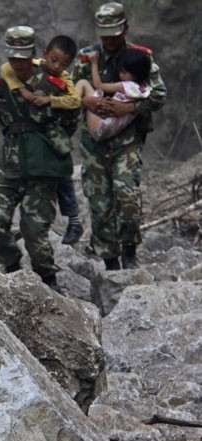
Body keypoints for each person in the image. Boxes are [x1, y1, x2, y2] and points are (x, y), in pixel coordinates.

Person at [72, 2, 167, 270]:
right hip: (95, 142)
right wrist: (88, 103)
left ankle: (129, 251)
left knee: (126, 194)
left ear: (125, 28)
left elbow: (159, 94)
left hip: (127, 140)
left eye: (114, 33)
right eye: (104, 34)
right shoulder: (86, 58)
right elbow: (70, 92)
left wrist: (130, 107)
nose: (109, 40)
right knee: (99, 200)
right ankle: (110, 261)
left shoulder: (140, 58)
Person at [0, 26, 79, 292]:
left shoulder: (55, 86)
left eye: (23, 58)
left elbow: (71, 121)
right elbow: (3, 122)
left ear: (35, 55)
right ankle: (13, 269)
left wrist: (44, 141)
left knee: (34, 229)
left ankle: (47, 279)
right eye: (13, 58)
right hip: (10, 164)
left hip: (43, 165)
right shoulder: (0, 87)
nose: (18, 64)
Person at [0, 35, 84, 245]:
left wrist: (50, 100)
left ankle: (73, 221)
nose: (56, 66)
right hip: (27, 137)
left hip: (52, 136)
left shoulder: (63, 79)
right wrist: (22, 91)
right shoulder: (32, 68)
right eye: (53, 60)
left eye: (63, 63)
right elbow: (5, 69)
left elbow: (75, 102)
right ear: (44, 54)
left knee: (62, 175)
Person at [75, 48, 151, 141]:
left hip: (98, 125)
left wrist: (94, 63)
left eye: (124, 72)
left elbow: (98, 85)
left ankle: (71, 103)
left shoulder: (126, 86)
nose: (121, 75)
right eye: (120, 71)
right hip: (109, 131)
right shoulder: (145, 89)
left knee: (83, 83)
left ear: (136, 72)